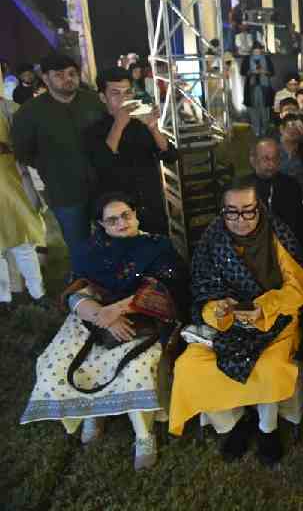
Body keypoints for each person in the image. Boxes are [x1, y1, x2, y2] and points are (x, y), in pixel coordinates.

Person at [21, 193, 188, 470]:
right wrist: (102, 315)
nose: (121, 223)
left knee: (134, 367)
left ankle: (143, 434)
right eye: (112, 220)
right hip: (96, 319)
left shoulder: (156, 246)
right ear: (101, 224)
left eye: (126, 215)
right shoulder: (90, 250)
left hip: (147, 319)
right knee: (60, 361)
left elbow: (170, 289)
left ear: (135, 213)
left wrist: (121, 309)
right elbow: (74, 290)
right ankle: (92, 411)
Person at [169, 178, 303, 468]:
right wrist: (218, 311)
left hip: (275, 320)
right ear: (222, 211)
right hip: (226, 325)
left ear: (260, 208)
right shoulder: (212, 239)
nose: (241, 220)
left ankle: (267, 429)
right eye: (232, 212)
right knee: (189, 367)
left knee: (268, 366)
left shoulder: (277, 234)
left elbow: (297, 289)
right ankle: (232, 426)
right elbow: (202, 289)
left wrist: (263, 308)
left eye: (248, 210)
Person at [11, 54, 106, 251]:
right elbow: (22, 151)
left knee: (110, 241)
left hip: (103, 187)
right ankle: (83, 280)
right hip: (64, 192)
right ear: (45, 78)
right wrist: (51, 165)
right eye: (59, 75)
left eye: (72, 73)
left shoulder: (94, 102)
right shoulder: (29, 113)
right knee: (79, 246)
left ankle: (114, 281)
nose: (67, 78)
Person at [83, 67, 177, 236]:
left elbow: (170, 155)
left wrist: (153, 128)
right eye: (115, 93)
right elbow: (102, 164)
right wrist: (119, 124)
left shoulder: (140, 124)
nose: (123, 99)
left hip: (151, 205)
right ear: (103, 97)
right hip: (119, 212)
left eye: (127, 92)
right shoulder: (93, 131)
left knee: (157, 252)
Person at [0, 98, 48, 310]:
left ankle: (37, 292)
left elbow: (29, 141)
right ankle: (4, 298)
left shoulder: (8, 108)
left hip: (12, 187)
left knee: (23, 243)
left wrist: (8, 147)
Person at [249, 137, 303, 243]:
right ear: (253, 160)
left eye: (275, 159)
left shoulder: (291, 185)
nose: (271, 164)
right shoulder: (243, 188)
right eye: (266, 159)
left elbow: (297, 225)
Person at [240, 43, 276, 137]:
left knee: (265, 109)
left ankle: (264, 129)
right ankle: (256, 130)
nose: (257, 52)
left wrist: (265, 72)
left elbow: (272, 72)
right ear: (252, 51)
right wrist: (251, 72)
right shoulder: (247, 59)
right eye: (255, 50)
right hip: (251, 87)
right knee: (253, 109)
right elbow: (242, 71)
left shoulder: (266, 59)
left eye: (258, 50)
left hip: (264, 87)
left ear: (261, 50)